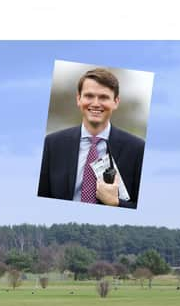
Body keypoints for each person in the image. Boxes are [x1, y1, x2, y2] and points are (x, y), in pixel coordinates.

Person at [37, 68, 145, 209]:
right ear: (78, 99)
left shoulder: (137, 149)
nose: (95, 103)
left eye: (103, 97)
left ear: (116, 102)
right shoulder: (52, 144)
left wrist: (115, 203)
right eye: (89, 96)